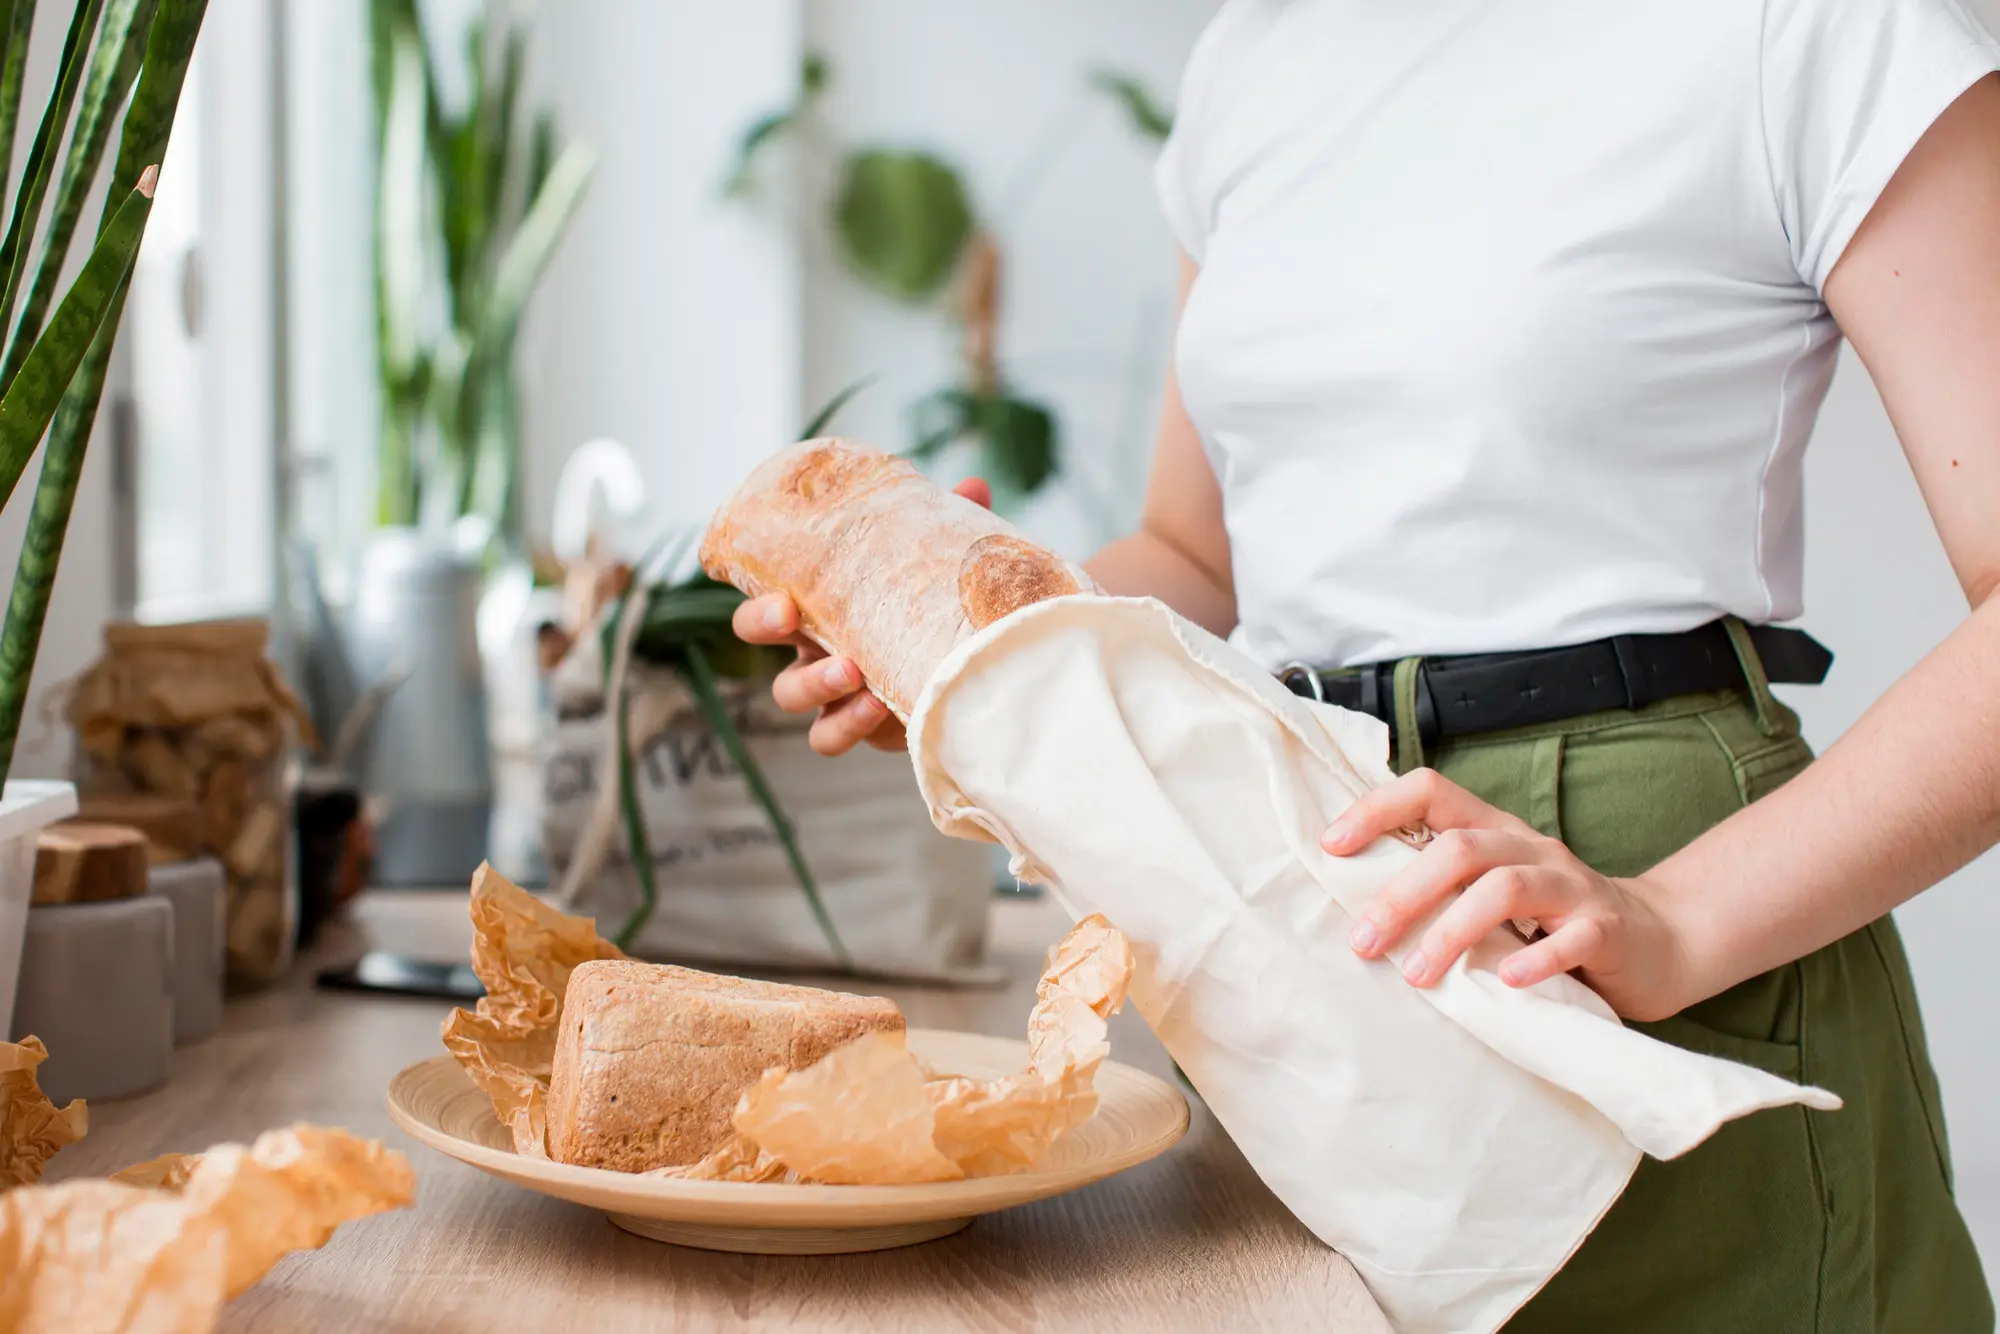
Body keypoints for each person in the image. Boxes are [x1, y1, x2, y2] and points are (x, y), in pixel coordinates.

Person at [733, 2, 2000, 1327]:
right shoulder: (1259, 55)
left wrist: (1675, 916)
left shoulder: (1817, 27)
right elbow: (1202, 556)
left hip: (1632, 907)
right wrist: (975, 649)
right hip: (1293, 903)